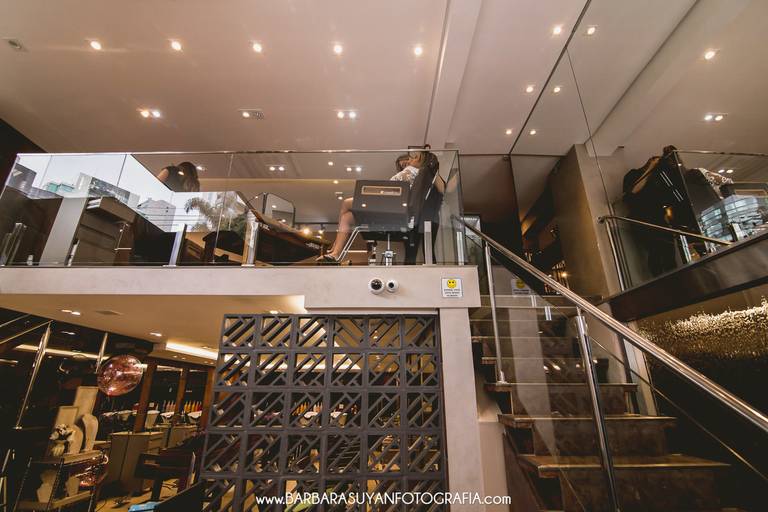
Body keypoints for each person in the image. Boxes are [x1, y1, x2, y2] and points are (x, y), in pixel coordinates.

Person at [317, 152, 426, 263]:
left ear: (419, 161)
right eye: (403, 165)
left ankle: (335, 245)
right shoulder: (408, 173)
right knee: (347, 217)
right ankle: (336, 253)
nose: (408, 163)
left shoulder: (412, 171)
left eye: (409, 161)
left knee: (346, 202)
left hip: (390, 209)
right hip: (387, 207)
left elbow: (393, 191)